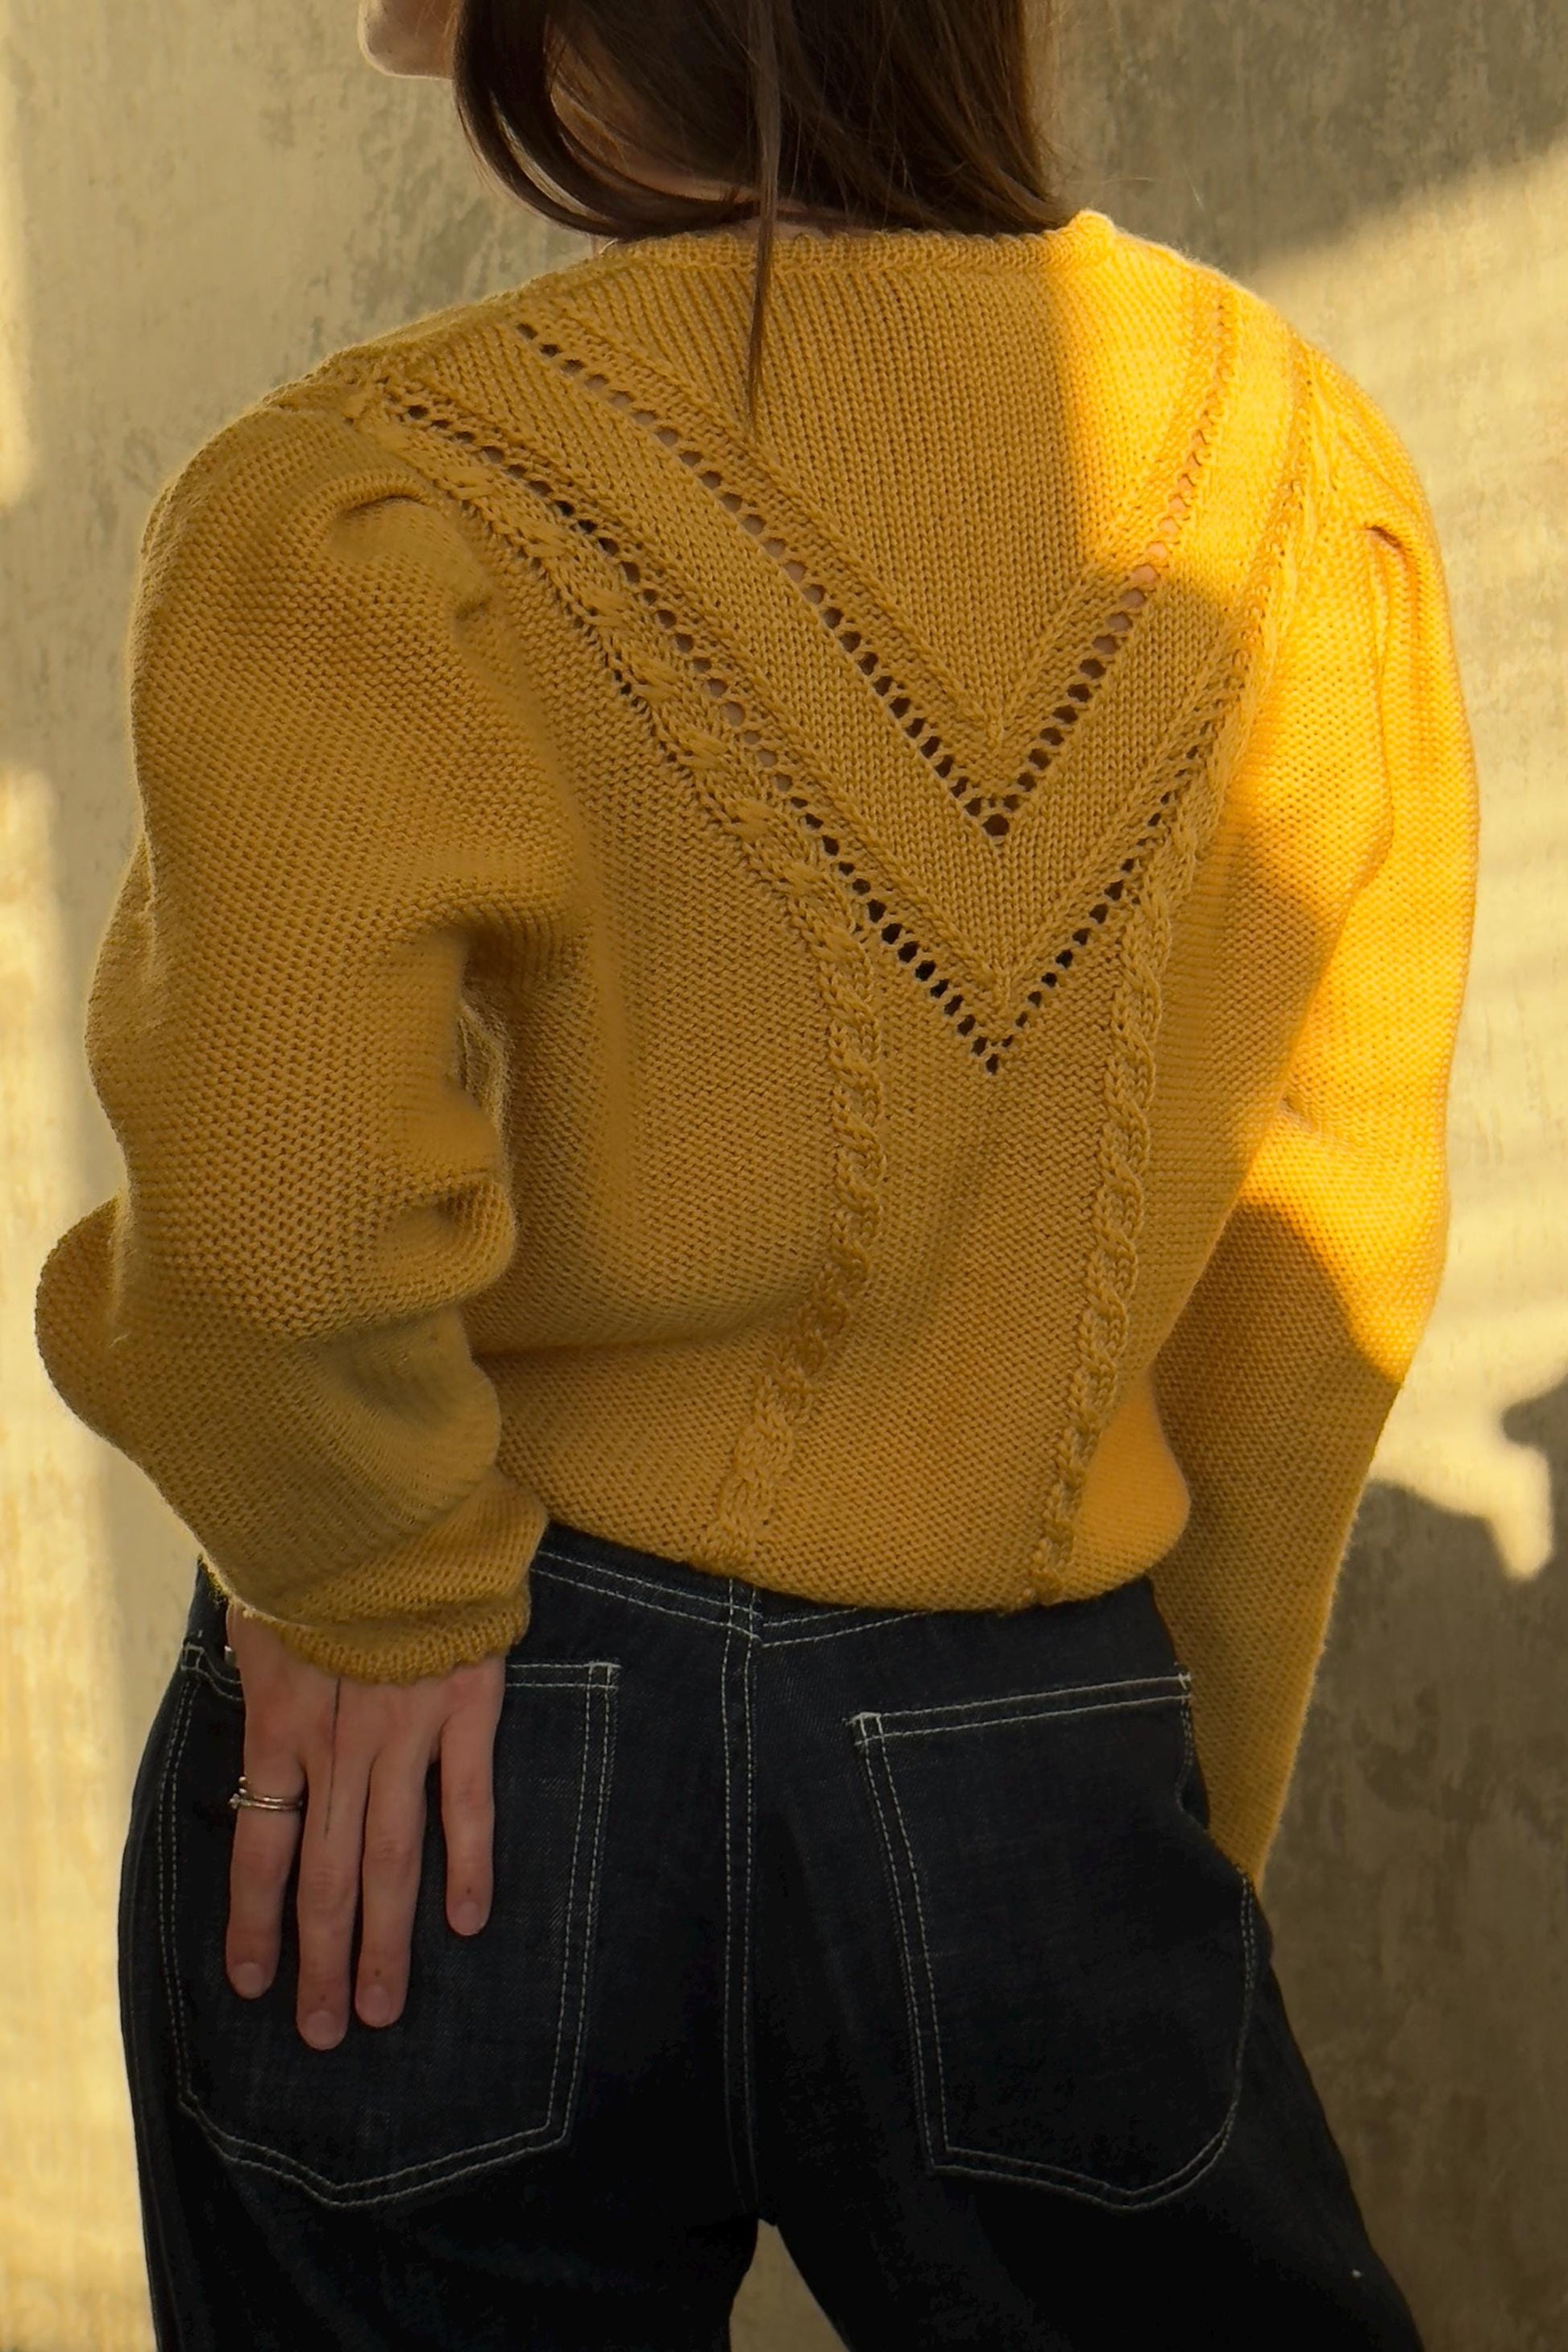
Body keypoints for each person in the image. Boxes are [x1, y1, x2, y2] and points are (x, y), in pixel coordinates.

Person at [35, 0, 1479, 2343]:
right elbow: (1320, 1261)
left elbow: (278, 1204)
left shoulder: (373, 498)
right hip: (1028, 1712)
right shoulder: (1302, 487)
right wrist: (1153, 1791)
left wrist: (373, 1573)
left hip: (469, 1724)